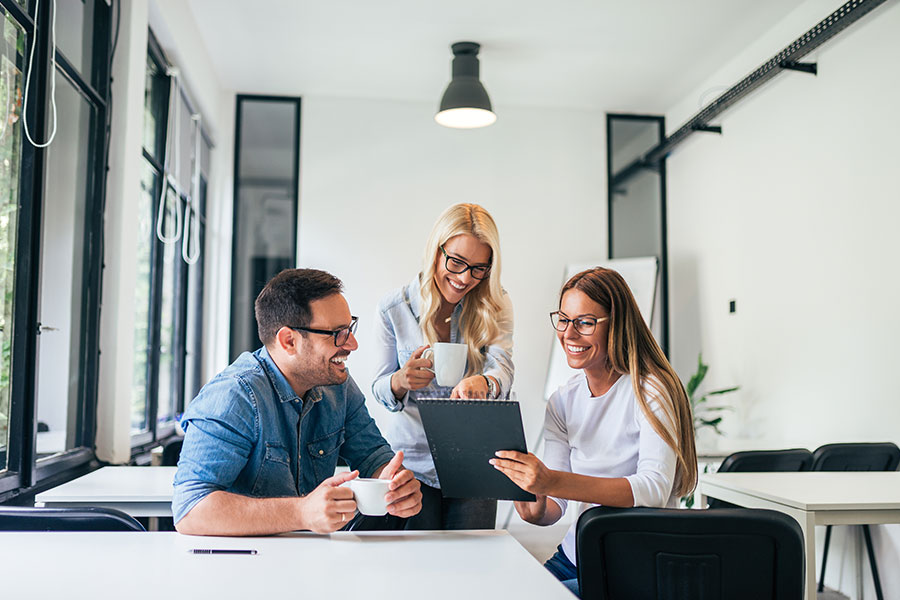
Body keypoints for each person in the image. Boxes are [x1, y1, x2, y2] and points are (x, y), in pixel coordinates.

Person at [491, 267, 697, 596]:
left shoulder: (652, 391)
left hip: (641, 559)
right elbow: (556, 503)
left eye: (585, 322)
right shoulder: (562, 402)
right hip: (580, 552)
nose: (569, 335)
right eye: (563, 319)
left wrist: (550, 481)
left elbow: (654, 488)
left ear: (616, 324)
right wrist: (536, 506)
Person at [173, 268, 422, 536]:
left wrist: (394, 483)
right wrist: (301, 512)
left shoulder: (339, 387)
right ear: (289, 341)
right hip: (244, 566)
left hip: (310, 559)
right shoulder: (234, 396)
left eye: (349, 328)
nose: (352, 344)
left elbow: (374, 457)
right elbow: (190, 511)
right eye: (337, 333)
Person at [371, 203, 514, 530]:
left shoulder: (496, 302)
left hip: (474, 458)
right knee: (416, 568)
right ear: (436, 251)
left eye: (479, 268)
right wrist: (400, 380)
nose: (466, 278)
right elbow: (379, 387)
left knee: (471, 564)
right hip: (412, 462)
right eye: (457, 262)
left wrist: (485, 383)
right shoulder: (395, 308)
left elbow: (502, 368)